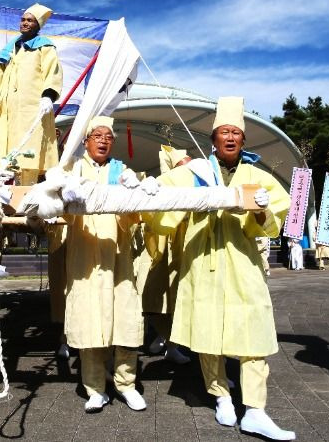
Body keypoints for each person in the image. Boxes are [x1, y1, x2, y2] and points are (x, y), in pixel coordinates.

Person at [150, 97, 295, 440]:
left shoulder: (258, 176)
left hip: (243, 261)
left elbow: (274, 218)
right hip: (202, 260)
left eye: (235, 133)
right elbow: (159, 198)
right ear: (213, 139)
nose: (230, 137)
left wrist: (261, 210)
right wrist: (144, 189)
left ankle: (256, 410)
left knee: (255, 332)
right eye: (224, 132)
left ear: (243, 140)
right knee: (207, 332)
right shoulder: (194, 172)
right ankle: (221, 396)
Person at [62, 116, 151, 413]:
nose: (103, 141)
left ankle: (126, 385)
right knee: (90, 325)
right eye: (97, 136)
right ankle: (96, 389)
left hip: (118, 256)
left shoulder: (121, 171)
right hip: (84, 257)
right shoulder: (72, 169)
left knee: (126, 322)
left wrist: (132, 193)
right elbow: (59, 215)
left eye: (108, 137)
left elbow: (135, 216)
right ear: (86, 141)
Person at [0, 3, 62, 184]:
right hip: (6, 109)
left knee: (28, 154)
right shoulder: (9, 49)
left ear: (38, 25)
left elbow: (52, 71)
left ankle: (26, 190)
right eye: (23, 19)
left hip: (31, 108)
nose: (25, 23)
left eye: (30, 20)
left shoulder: (45, 47)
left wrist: (48, 95)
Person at [140, 144, 190, 364]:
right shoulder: (160, 187)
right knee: (153, 298)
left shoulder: (195, 186)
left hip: (186, 249)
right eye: (182, 166)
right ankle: (165, 337)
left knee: (183, 298)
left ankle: (173, 344)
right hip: (161, 249)